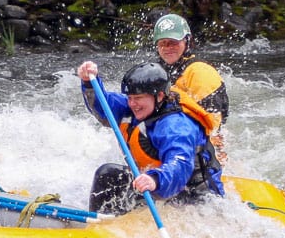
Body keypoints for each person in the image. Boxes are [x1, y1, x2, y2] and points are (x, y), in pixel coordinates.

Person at [76, 60, 224, 215]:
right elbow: (104, 107)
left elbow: (179, 166)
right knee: (108, 174)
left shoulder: (176, 126)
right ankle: (101, 225)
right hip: (156, 184)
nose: (133, 104)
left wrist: (155, 180)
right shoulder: (135, 108)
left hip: (193, 194)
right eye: (130, 97)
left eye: (138, 98)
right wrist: (89, 83)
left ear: (160, 95)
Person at [151, 13, 229, 151]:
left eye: (173, 42)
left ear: (187, 41)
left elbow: (212, 126)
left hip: (199, 147)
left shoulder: (200, 72)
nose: (167, 48)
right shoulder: (156, 71)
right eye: (163, 43)